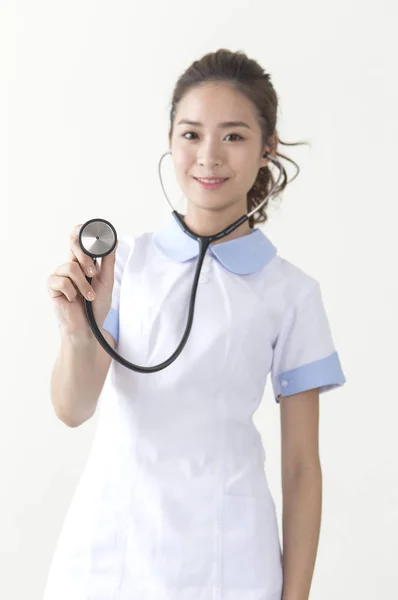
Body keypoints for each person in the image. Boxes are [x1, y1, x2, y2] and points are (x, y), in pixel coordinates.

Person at [45, 48, 346, 600]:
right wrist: (76, 329)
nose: (209, 156)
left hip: (227, 558)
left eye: (232, 136)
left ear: (267, 148)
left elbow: (302, 468)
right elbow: (72, 409)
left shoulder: (291, 293)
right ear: (169, 140)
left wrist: (296, 596)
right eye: (190, 134)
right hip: (110, 552)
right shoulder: (124, 265)